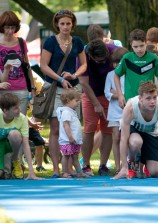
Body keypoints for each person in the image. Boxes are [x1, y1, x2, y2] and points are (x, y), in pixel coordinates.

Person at [40, 9, 87, 178]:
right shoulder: (50, 42)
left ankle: (70, 167)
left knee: (73, 128)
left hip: (73, 89)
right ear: (57, 25)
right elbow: (43, 65)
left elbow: (84, 65)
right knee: (55, 129)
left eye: (68, 23)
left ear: (72, 24)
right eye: (62, 24)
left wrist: (74, 75)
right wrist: (60, 80)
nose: (66, 27)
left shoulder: (78, 42)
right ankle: (55, 168)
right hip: (55, 87)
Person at [113, 81, 158, 180]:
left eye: (154, 97)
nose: (152, 101)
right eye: (148, 98)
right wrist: (123, 167)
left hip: (151, 133)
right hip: (134, 131)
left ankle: (143, 165)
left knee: (155, 172)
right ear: (140, 99)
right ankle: (130, 162)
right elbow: (123, 138)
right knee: (136, 142)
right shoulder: (130, 107)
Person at [79, 39, 118, 176]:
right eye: (98, 61)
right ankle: (86, 165)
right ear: (91, 56)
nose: (102, 63)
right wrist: (96, 104)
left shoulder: (114, 51)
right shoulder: (83, 55)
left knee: (107, 129)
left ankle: (103, 165)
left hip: (110, 95)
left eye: (104, 60)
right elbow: (83, 83)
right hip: (90, 93)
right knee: (89, 127)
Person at [114, 28, 158, 107]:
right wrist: (120, 95)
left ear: (146, 42)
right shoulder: (127, 58)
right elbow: (116, 75)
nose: (139, 49)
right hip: (130, 100)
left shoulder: (153, 58)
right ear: (131, 45)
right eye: (136, 46)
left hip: (149, 101)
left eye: (142, 45)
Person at [0, 11, 35, 115]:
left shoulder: (21, 42)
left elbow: (27, 66)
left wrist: (32, 87)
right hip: (3, 90)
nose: (10, 31)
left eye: (12, 27)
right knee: (4, 123)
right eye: (7, 27)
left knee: (20, 121)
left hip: (21, 88)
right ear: (2, 27)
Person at [0, 93, 41, 180]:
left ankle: (15, 161)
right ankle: (6, 168)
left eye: (18, 107)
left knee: (15, 134)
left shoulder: (22, 119)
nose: (19, 110)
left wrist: (31, 172)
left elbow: (26, 145)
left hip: (10, 147)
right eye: (15, 108)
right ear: (5, 110)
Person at [104, 47, 128, 175]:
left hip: (127, 110)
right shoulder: (110, 75)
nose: (116, 65)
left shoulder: (130, 73)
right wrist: (119, 95)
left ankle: (127, 163)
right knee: (116, 138)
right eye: (115, 63)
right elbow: (107, 92)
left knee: (127, 137)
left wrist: (118, 93)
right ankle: (118, 165)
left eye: (119, 62)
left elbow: (130, 92)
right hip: (114, 110)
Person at [56, 89, 88, 178]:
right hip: (68, 140)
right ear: (68, 101)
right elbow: (66, 125)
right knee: (66, 156)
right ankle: (64, 172)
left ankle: (79, 172)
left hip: (74, 140)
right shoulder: (66, 112)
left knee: (75, 157)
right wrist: (70, 137)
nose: (78, 103)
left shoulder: (71, 112)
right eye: (76, 101)